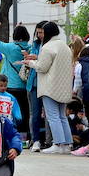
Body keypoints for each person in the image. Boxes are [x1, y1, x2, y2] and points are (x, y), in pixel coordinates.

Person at [23, 21, 74, 153]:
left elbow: (42, 67)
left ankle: (58, 144)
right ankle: (67, 144)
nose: (41, 35)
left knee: (53, 116)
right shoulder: (65, 46)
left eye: (43, 32)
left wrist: (31, 62)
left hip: (50, 87)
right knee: (62, 116)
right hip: (64, 87)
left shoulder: (48, 47)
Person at [0, 22, 32, 133]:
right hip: (24, 86)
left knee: (8, 112)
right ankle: (25, 135)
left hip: (10, 86)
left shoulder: (10, 48)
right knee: (24, 111)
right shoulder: (30, 49)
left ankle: (10, 132)